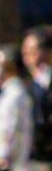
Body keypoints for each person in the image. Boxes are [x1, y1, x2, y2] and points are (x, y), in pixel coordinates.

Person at [0, 43, 35, 171]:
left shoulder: (15, 95)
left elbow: (10, 130)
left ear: (8, 65)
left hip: (9, 168)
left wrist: (3, 161)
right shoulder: (6, 94)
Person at [21, 26, 52, 163]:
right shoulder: (24, 85)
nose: (27, 56)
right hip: (32, 155)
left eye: (33, 50)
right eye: (25, 51)